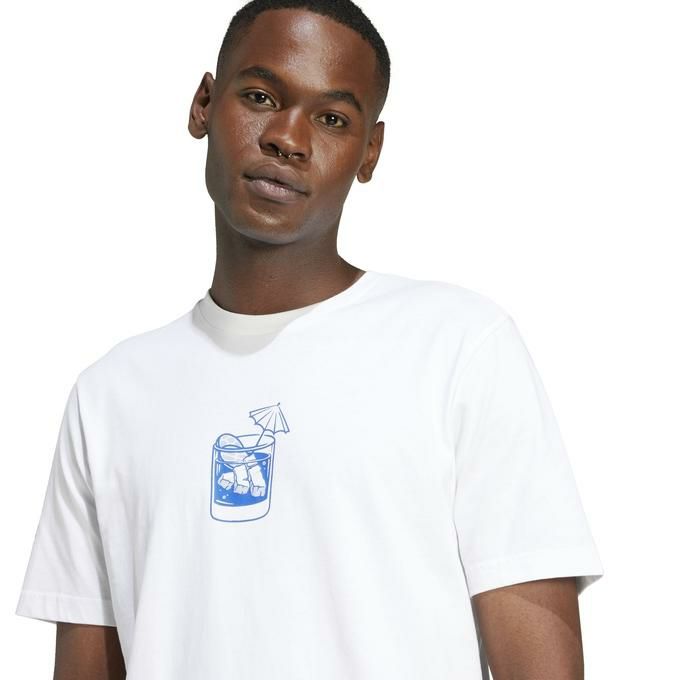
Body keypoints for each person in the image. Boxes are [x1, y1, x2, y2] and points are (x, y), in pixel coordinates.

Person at [16, 1, 604, 678]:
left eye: (332, 119)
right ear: (204, 104)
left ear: (369, 152)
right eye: (261, 97)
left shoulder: (458, 348)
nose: (288, 139)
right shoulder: (109, 395)